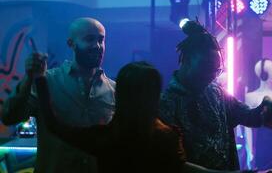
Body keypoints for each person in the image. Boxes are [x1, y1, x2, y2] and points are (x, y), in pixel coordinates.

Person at [37, 61, 254, 173]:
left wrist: (40, 80)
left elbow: (55, 126)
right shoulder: (165, 137)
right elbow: (181, 169)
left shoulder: (104, 137)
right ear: (153, 97)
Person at [159, 20, 272, 171]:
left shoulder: (217, 92)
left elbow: (247, 116)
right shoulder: (167, 102)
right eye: (207, 67)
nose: (212, 76)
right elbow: (173, 164)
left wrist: (263, 111)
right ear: (186, 61)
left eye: (217, 70)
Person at [1, 17, 115, 173]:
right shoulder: (46, 81)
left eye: (101, 40)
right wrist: (29, 79)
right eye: (89, 39)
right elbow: (9, 116)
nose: (97, 46)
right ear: (71, 43)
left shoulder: (114, 90)